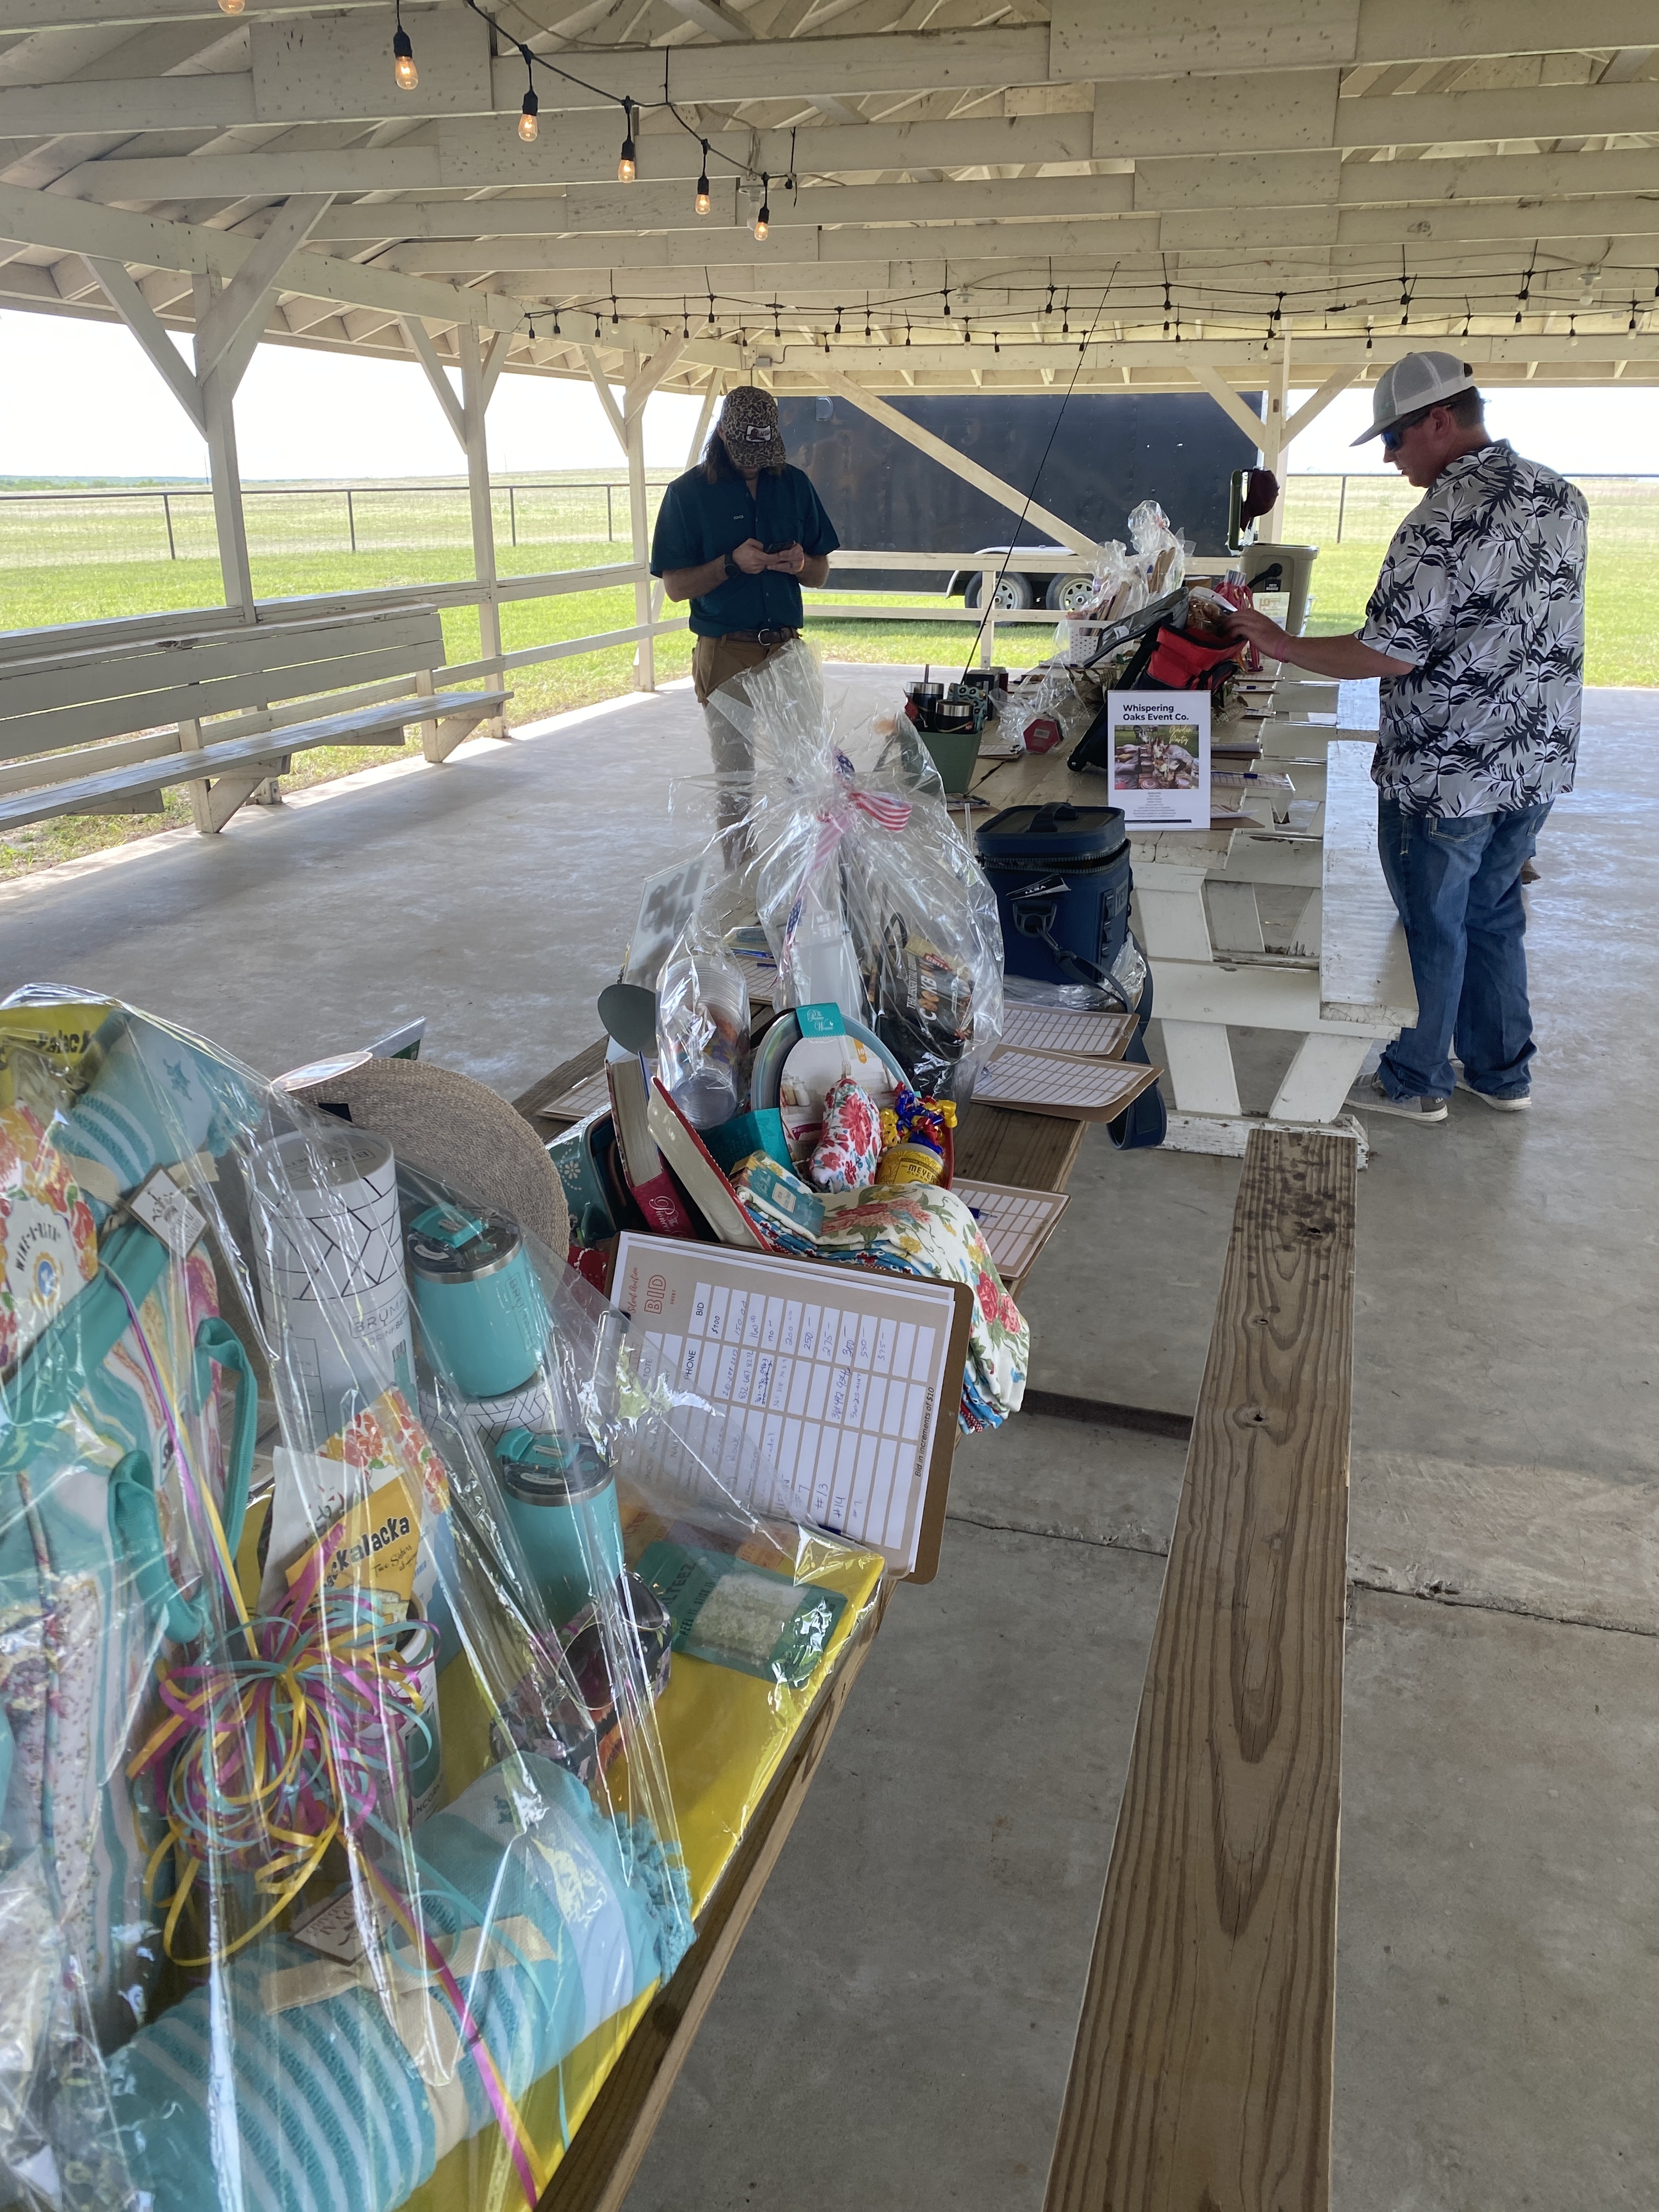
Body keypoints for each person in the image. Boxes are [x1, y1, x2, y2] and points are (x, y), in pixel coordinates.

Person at [1225, 351, 1587, 1122]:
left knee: (1434, 923)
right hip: (1536, 761)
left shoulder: (1440, 519)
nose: (1391, 457)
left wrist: (1282, 644)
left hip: (1445, 772)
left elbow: (1390, 650)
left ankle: (1418, 1078)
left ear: (1439, 421)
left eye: (1394, 439)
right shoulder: (1565, 497)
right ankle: (1500, 1072)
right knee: (1493, 914)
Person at [651, 386, 840, 842]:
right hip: (725, 650)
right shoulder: (687, 495)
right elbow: (675, 587)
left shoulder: (795, 485)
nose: (754, 461)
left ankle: (804, 882)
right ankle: (740, 884)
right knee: (735, 784)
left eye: (762, 451)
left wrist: (800, 563)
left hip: (786, 647)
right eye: (744, 452)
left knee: (809, 773)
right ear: (720, 436)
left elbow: (820, 573)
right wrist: (730, 564)